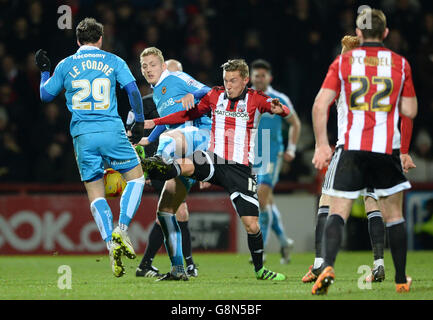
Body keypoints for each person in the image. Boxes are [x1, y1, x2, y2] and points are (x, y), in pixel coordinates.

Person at [142, 59, 291, 281]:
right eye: (225, 80)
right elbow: (187, 115)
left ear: (245, 80)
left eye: (233, 80)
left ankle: (260, 269)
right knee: (185, 165)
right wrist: (157, 121)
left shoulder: (256, 98)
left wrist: (281, 109)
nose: (228, 85)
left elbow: (282, 109)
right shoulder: (215, 95)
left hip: (240, 169)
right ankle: (155, 168)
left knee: (251, 225)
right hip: (213, 159)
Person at [310, 8, 417, 295]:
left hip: (351, 148)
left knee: (338, 209)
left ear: (358, 32)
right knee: (393, 214)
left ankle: (327, 263)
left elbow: (320, 105)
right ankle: (399, 277)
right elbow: (410, 111)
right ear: (385, 33)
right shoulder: (400, 64)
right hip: (385, 149)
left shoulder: (343, 63)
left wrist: (322, 144)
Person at [36, 18, 145, 278]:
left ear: (77, 40)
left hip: (83, 135)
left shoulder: (65, 64)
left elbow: (45, 95)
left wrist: (44, 71)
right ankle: (122, 229)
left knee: (96, 193)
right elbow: (133, 91)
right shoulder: (114, 60)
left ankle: (110, 243)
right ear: (100, 39)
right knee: (137, 179)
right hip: (111, 130)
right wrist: (138, 121)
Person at [136, 47, 212, 280]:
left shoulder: (177, 77)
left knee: (170, 138)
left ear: (163, 66)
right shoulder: (158, 91)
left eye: (152, 64)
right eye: (144, 66)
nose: (148, 69)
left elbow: (212, 93)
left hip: (200, 135)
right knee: (166, 212)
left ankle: (153, 164)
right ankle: (179, 270)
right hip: (180, 149)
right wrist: (148, 138)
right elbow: (168, 119)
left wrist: (195, 97)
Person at [249, 59, 301, 264]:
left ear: (269, 78)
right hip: (252, 155)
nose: (259, 79)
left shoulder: (279, 98)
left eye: (263, 76)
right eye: (256, 75)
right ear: (251, 77)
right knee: (266, 202)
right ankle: (285, 242)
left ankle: (259, 250)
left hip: (272, 155)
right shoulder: (245, 97)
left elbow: (295, 124)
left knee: (261, 199)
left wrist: (291, 149)